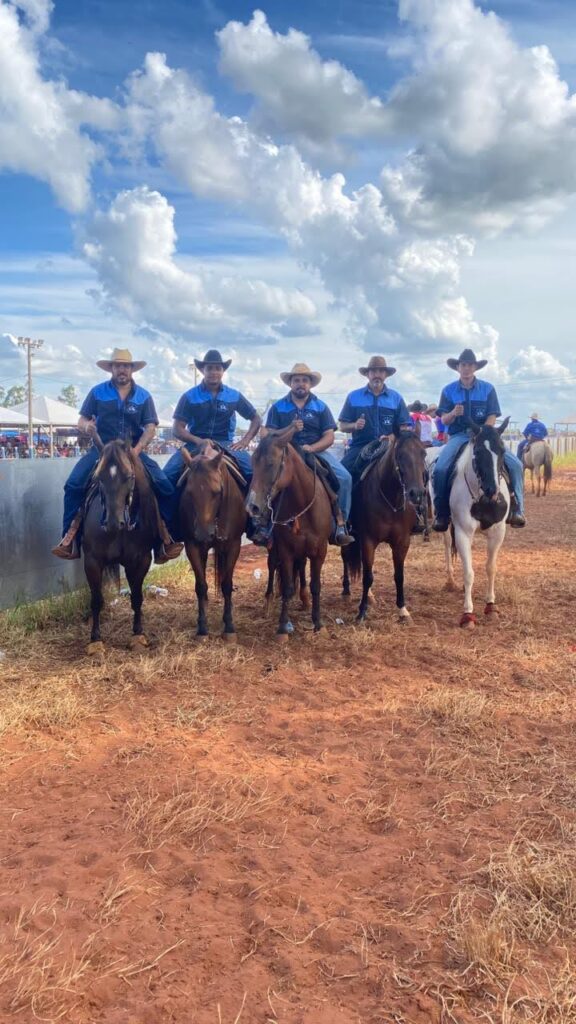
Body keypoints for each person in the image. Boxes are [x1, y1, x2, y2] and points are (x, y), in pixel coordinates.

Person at [51, 348, 182, 561]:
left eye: (126, 366)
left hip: (133, 452)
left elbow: (150, 427)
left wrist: (137, 450)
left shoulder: (144, 396)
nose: (122, 369)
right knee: (73, 485)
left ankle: (165, 541)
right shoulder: (97, 392)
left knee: (165, 487)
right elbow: (82, 420)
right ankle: (69, 540)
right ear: (111, 368)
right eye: (118, 365)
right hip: (100, 450)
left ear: (132, 369)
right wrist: (87, 429)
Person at [432, 348, 526, 532]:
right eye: (463, 365)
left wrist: (484, 432)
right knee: (441, 468)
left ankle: (518, 509)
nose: (466, 368)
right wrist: (452, 413)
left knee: (515, 464)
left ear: (475, 367)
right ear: (458, 367)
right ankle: (441, 513)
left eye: (470, 365)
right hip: (459, 435)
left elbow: (492, 416)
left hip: (484, 436)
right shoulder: (448, 391)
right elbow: (443, 420)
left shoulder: (487, 388)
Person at [264, 362, 352, 545]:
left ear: (310, 384)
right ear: (290, 383)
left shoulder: (320, 407)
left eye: (305, 380)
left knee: (345, 478)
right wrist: (289, 429)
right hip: (286, 454)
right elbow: (267, 434)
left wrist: (312, 448)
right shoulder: (278, 407)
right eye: (296, 380)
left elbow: (329, 436)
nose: (300, 383)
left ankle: (340, 524)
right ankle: (263, 524)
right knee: (264, 478)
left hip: (315, 451)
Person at [164, 350, 261, 495]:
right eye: (209, 368)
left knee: (253, 474)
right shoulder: (189, 396)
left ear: (223, 371)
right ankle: (167, 517)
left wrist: (245, 441)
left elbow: (256, 418)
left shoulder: (233, 395)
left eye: (218, 368)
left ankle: (254, 516)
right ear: (203, 370)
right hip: (194, 444)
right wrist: (199, 441)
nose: (214, 372)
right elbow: (177, 429)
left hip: (227, 444)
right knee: (166, 476)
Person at [338, 356, 413, 481]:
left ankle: (418, 499)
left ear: (386, 375)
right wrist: (354, 426)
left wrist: (390, 438)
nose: (377, 375)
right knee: (342, 477)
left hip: (389, 447)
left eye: (381, 371)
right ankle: (345, 501)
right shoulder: (353, 397)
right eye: (373, 371)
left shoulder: (396, 398)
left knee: (412, 473)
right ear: (367, 374)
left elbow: (404, 427)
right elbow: (342, 426)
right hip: (360, 446)